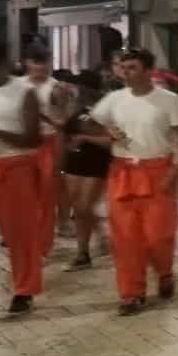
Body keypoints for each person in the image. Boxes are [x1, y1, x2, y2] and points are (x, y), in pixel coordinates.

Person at [85, 48, 178, 315]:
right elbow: (90, 123)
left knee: (158, 235)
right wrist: (106, 130)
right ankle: (131, 294)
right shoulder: (114, 99)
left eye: (133, 67)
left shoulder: (168, 100)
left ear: (148, 71)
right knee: (124, 238)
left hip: (158, 171)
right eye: (124, 68)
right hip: (122, 172)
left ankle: (164, 272)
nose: (126, 73)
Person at [0, 37, 44, 313]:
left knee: (19, 234)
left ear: (5, 64)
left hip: (15, 167)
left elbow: (33, 139)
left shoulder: (24, 92)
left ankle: (24, 290)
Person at [21, 45, 71, 254]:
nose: (39, 71)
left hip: (49, 142)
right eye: (35, 66)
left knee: (48, 192)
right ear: (27, 64)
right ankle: (24, 234)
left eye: (43, 67)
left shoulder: (56, 87)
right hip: (23, 143)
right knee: (24, 193)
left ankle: (43, 243)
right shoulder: (17, 85)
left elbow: (64, 118)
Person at [62, 71, 113, 270]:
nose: (77, 90)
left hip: (96, 163)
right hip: (74, 162)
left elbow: (111, 141)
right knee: (79, 209)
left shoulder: (106, 109)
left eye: (80, 87)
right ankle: (83, 252)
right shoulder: (75, 108)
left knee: (84, 206)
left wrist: (86, 138)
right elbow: (66, 131)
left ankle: (98, 239)